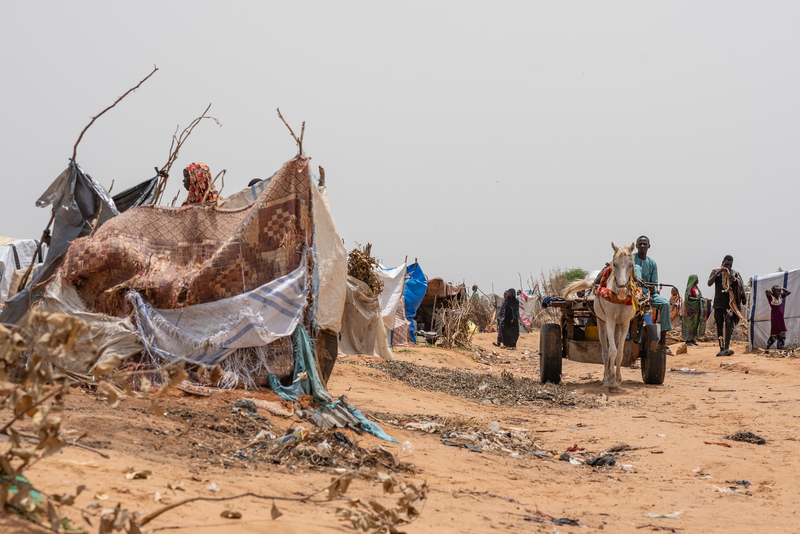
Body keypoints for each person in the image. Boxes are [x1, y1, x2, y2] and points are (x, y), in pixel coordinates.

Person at [634, 236, 673, 355]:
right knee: (636, 267)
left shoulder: (652, 263)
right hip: (633, 293)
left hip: (648, 294)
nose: (642, 246)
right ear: (636, 246)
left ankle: (662, 341)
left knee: (665, 304)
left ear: (648, 246)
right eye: (640, 244)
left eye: (644, 244)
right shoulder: (631, 259)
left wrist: (653, 288)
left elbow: (655, 283)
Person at [707, 255, 746, 356]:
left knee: (728, 324)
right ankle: (721, 348)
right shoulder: (715, 271)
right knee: (719, 325)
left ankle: (727, 348)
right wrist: (718, 272)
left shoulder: (734, 273)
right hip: (718, 304)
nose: (727, 267)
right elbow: (709, 283)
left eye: (730, 265)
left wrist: (733, 279)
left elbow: (740, 285)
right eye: (726, 264)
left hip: (729, 304)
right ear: (722, 262)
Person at [681, 275, 708, 346]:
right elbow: (688, 298)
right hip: (690, 311)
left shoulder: (696, 288)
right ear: (693, 280)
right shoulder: (690, 288)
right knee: (689, 325)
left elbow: (698, 296)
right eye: (697, 279)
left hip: (695, 310)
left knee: (694, 324)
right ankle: (687, 340)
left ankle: (693, 339)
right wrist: (698, 299)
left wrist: (703, 299)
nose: (698, 280)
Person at [766, 285, 792, 351]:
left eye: (780, 291)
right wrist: (769, 292)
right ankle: (767, 348)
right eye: (778, 291)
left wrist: (783, 288)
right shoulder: (771, 298)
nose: (779, 292)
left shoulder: (780, 296)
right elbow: (766, 292)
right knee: (775, 334)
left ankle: (781, 349)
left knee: (783, 333)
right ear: (773, 291)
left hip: (781, 319)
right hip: (775, 319)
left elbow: (789, 292)